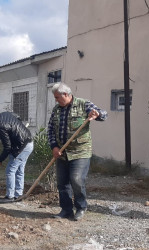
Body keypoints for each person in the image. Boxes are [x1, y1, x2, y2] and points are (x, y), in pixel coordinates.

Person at [47, 83, 107, 221]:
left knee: (76, 179)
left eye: (57, 97)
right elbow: (50, 130)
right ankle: (66, 210)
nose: (56, 100)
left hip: (80, 152)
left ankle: (81, 207)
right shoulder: (56, 110)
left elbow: (103, 114)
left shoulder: (83, 104)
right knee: (62, 183)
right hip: (62, 153)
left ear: (66, 95)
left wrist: (97, 114)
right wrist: (54, 147)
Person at [0, 110, 33, 201]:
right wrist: (18, 128)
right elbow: (17, 117)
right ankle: (18, 195)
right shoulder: (4, 114)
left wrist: (0, 160)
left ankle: (10, 196)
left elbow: (7, 147)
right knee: (19, 170)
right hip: (27, 142)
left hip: (21, 147)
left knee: (10, 170)